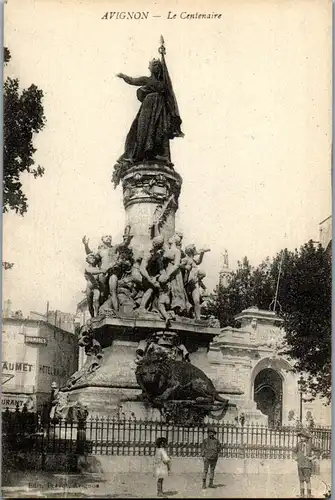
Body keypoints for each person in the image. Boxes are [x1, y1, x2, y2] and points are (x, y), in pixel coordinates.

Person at [293, 429, 320, 498]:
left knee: (307, 480)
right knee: (301, 480)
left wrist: (312, 457)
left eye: (303, 436)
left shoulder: (310, 445)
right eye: (300, 436)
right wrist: (295, 457)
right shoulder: (298, 444)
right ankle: (301, 494)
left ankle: (309, 494)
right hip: (300, 464)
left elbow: (318, 451)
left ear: (306, 437)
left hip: (307, 465)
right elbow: (294, 452)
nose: (301, 438)